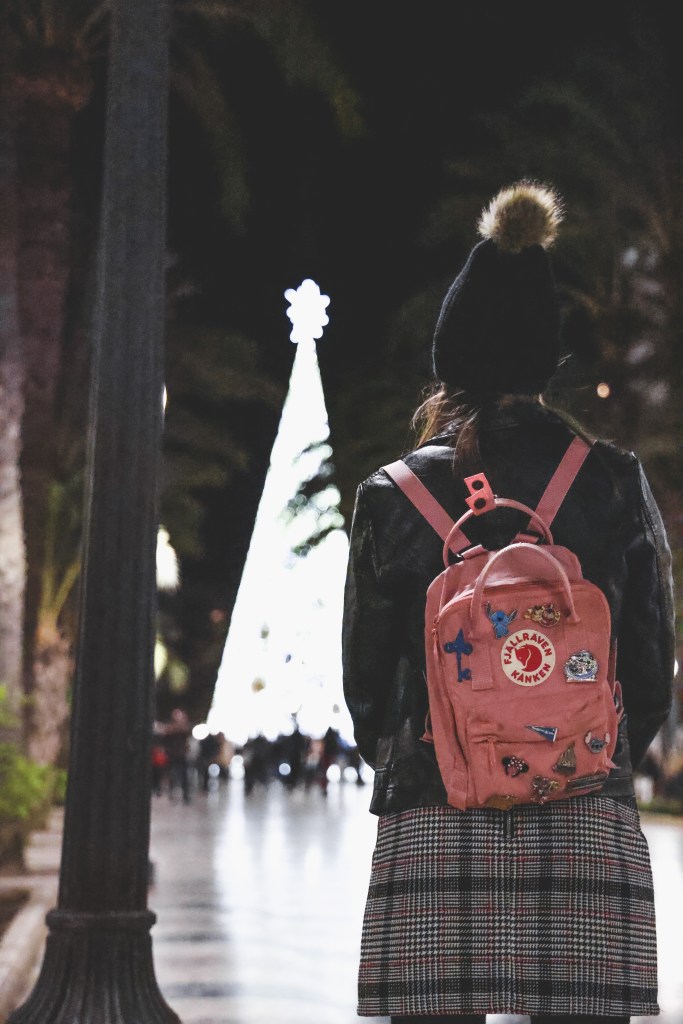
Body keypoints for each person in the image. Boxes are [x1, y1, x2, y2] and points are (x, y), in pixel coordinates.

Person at [342, 182, 675, 1023]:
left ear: (447, 356)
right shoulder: (609, 479)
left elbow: (363, 675)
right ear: (544, 357)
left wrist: (422, 746)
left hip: (434, 793)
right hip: (581, 791)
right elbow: (649, 652)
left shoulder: (392, 494)